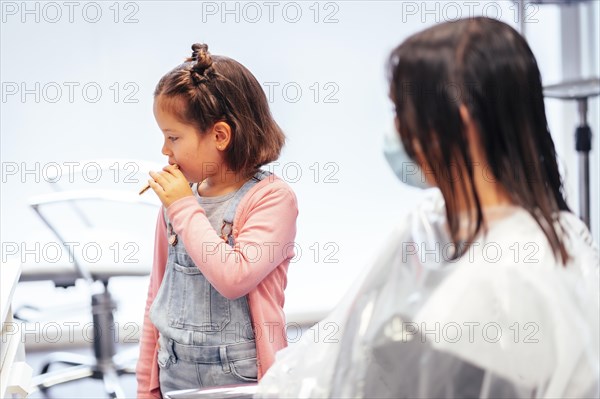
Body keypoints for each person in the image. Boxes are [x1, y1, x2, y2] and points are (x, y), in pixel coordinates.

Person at [256, 17, 599, 399]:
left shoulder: (502, 279)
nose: (396, 131)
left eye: (401, 112)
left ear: (462, 119)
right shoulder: (441, 223)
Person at [136, 43, 298, 398]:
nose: (165, 151)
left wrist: (181, 206)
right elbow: (158, 292)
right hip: (173, 370)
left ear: (220, 136)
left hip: (242, 379)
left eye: (173, 137)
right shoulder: (180, 199)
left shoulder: (271, 199)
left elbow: (233, 278)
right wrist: (146, 385)